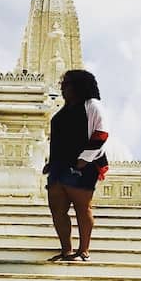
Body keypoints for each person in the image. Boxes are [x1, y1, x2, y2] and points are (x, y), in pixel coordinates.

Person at [42, 69, 108, 262]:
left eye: (67, 85)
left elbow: (101, 133)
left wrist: (84, 160)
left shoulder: (93, 106)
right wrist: (50, 162)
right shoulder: (63, 110)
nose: (63, 89)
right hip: (59, 166)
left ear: (79, 86)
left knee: (82, 207)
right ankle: (67, 250)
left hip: (82, 166)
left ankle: (84, 250)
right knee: (57, 209)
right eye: (63, 85)